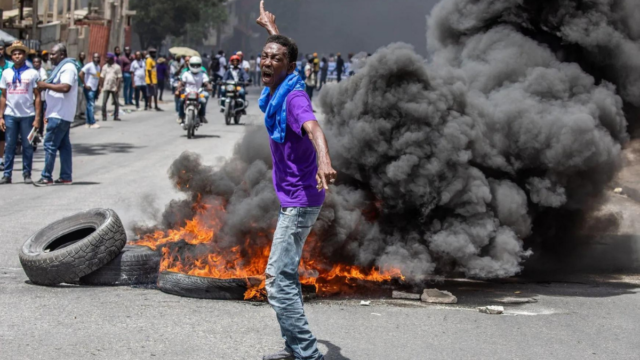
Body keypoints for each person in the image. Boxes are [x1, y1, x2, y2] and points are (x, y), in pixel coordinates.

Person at [256, 2, 336, 360]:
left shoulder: (294, 97)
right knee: (282, 277)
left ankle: (308, 354)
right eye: (264, 56)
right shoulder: (287, 80)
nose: (267, 61)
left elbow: (314, 127)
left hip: (301, 200)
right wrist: (272, 29)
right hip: (295, 197)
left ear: (288, 67)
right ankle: (295, 349)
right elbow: (282, 51)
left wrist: (324, 159)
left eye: (275, 58)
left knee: (278, 280)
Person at [34, 43, 77, 187]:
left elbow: (65, 87)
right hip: (57, 112)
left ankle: (46, 177)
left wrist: (45, 85)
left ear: (62, 55)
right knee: (64, 146)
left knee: (50, 145)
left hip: (60, 113)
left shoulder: (68, 68)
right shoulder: (60, 68)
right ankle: (65, 176)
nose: (50, 57)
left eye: (53, 54)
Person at [0, 41, 42, 185]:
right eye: (14, 54)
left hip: (27, 114)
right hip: (10, 114)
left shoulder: (32, 73)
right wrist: (1, 116)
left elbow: (37, 96)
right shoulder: (6, 73)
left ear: (24, 56)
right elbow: (3, 96)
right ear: (11, 57)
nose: (17, 56)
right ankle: (7, 174)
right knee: (10, 145)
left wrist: (37, 118)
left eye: (19, 53)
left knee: (27, 145)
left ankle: (27, 173)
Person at [176, 56, 211, 125]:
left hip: (198, 93)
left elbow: (206, 83)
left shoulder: (202, 74)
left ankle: (202, 115)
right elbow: (182, 82)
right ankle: (181, 116)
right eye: (193, 65)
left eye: (197, 65)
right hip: (187, 93)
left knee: (203, 100)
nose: (195, 67)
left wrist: (209, 87)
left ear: (200, 65)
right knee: (181, 100)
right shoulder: (186, 74)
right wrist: (179, 88)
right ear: (190, 65)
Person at [0, 43, 14, 171]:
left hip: (8, 101)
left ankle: (1, 160)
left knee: (2, 132)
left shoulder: (11, 67)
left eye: (0, 48)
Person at [79, 53, 101, 128]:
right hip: (89, 88)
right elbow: (81, 74)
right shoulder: (89, 65)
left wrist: (98, 88)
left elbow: (97, 78)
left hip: (94, 89)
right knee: (91, 105)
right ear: (92, 58)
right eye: (95, 57)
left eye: (98, 57)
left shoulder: (98, 67)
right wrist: (85, 84)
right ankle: (92, 122)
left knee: (89, 105)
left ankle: (88, 122)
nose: (96, 59)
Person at [100, 53, 123, 121]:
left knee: (116, 102)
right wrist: (100, 86)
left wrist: (117, 87)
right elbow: (102, 76)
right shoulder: (105, 67)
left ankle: (116, 116)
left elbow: (119, 78)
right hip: (106, 86)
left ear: (112, 59)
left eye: (108, 58)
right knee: (104, 102)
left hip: (114, 87)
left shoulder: (117, 67)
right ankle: (104, 116)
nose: (106, 59)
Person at [32, 57, 48, 134]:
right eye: (34, 62)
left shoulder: (42, 71)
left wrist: (37, 89)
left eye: (37, 62)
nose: (36, 64)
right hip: (32, 98)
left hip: (41, 97)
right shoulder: (31, 71)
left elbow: (44, 82)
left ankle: (40, 132)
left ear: (40, 63)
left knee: (40, 115)